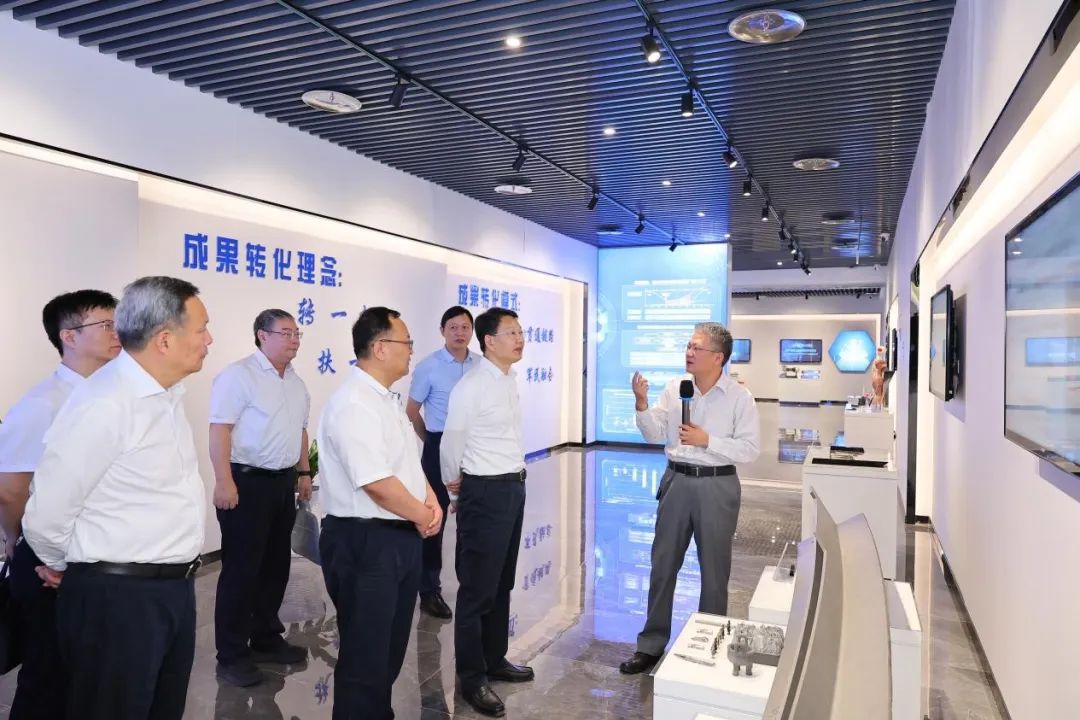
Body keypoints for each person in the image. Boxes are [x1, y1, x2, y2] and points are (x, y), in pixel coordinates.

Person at [21, 276, 213, 719]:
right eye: (201, 329)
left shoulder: (165, 397)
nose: (209, 340)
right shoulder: (106, 402)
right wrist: (77, 570)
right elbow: (47, 513)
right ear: (165, 339)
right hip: (119, 600)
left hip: (172, 590)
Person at [317, 306, 443, 720]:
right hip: (365, 541)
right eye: (406, 342)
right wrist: (423, 515)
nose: (411, 350)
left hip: (396, 536)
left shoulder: (385, 400)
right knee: (365, 656)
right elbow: (376, 483)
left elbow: (405, 465)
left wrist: (429, 500)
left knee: (387, 651)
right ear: (380, 347)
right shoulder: (354, 403)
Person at [0, 289, 120, 720]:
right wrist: (18, 541)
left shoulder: (112, 396)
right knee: (48, 673)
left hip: (96, 555)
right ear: (68, 336)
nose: (118, 332)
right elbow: (11, 490)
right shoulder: (42, 404)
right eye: (106, 325)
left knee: (88, 671)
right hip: (47, 557)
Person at [619, 321, 760, 676]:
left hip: (717, 485)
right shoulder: (675, 388)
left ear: (718, 357)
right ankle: (650, 645)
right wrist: (641, 405)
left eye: (697, 347)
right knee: (662, 565)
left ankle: (710, 644)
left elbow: (749, 449)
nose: (689, 352)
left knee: (715, 571)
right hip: (677, 482)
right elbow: (654, 434)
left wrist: (707, 440)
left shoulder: (739, 397)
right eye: (688, 346)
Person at [210, 309, 312, 687]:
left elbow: (300, 431)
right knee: (241, 570)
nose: (294, 340)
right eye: (285, 333)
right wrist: (224, 481)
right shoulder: (239, 375)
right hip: (246, 483)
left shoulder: (296, 382)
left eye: (296, 333)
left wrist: (304, 473)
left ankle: (266, 637)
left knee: (275, 567)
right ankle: (232, 654)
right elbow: (220, 430)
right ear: (262, 335)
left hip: (282, 483)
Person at [441, 307, 533, 718]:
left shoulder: (508, 380)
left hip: (512, 488)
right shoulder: (472, 386)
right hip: (484, 492)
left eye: (521, 331)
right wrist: (455, 490)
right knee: (477, 590)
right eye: (511, 332)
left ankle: (495, 660)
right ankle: (472, 678)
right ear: (489, 341)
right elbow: (451, 444)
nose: (520, 338)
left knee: (501, 583)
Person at [406, 305, 476, 620]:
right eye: (453, 327)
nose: (459, 333)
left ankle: (469, 581)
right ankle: (429, 590)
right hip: (438, 446)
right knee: (435, 518)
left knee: (471, 517)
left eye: (465, 327)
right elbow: (411, 412)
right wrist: (432, 441)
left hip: (474, 449)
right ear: (442, 331)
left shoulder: (481, 365)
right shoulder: (429, 367)